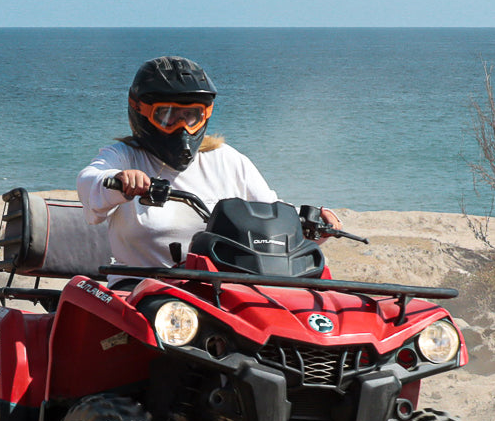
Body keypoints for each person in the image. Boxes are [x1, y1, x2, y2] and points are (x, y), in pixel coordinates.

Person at [78, 56, 340, 268]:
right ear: (141, 112)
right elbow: (89, 182)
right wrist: (119, 181)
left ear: (205, 116)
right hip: (141, 288)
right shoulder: (125, 156)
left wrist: (314, 224)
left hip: (214, 289)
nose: (182, 127)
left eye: (191, 116)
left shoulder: (227, 159)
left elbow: (271, 213)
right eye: (168, 116)